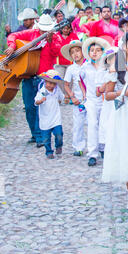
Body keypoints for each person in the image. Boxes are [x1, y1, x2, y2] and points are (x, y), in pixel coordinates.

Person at [5, 14, 63, 147]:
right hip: (27, 75)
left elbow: (57, 52)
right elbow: (12, 36)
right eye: (42, 30)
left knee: (42, 108)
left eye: (46, 30)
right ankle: (35, 134)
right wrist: (12, 45)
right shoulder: (31, 33)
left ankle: (41, 136)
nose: (43, 32)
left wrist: (50, 42)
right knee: (30, 108)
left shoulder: (56, 37)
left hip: (45, 78)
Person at [102, 31, 128, 191]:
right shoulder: (117, 67)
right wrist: (123, 92)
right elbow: (108, 95)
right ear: (125, 47)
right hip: (124, 112)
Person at [79, 37, 110, 166]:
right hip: (91, 100)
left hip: (105, 100)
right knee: (92, 124)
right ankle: (92, 153)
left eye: (98, 50)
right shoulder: (85, 67)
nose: (95, 53)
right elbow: (80, 81)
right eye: (92, 50)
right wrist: (84, 95)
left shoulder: (107, 67)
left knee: (105, 124)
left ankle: (104, 148)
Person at [62, 40, 87, 157]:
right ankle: (78, 146)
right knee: (78, 124)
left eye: (77, 51)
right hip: (78, 100)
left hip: (91, 98)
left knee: (94, 122)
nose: (75, 54)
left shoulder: (89, 65)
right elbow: (66, 84)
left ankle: (98, 146)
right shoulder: (71, 69)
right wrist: (72, 97)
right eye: (72, 52)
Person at [34, 69, 64, 159]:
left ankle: (59, 145)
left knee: (59, 134)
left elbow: (61, 97)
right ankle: (49, 152)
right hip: (45, 118)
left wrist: (63, 99)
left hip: (55, 117)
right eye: (49, 83)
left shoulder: (57, 90)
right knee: (46, 138)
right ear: (45, 81)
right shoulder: (42, 91)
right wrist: (40, 101)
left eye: (54, 83)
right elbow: (36, 102)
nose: (51, 85)